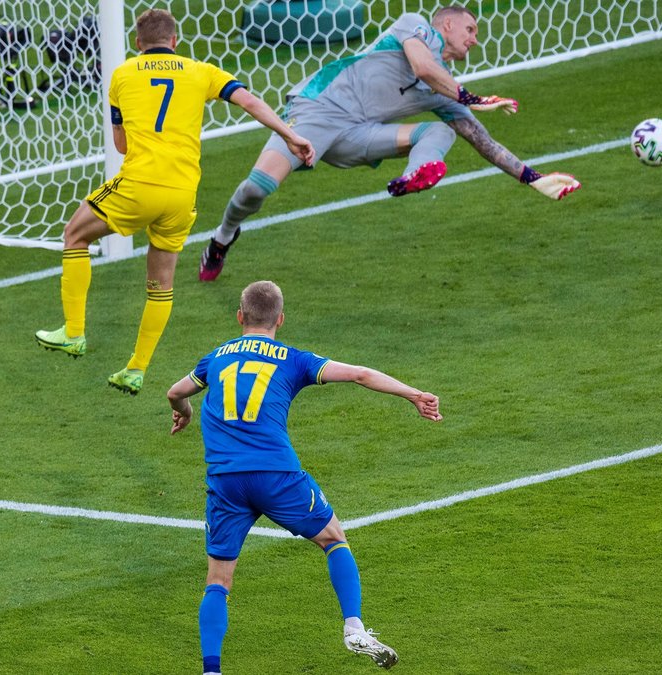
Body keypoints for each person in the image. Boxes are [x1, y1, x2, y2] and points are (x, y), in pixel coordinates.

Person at [166, 280, 443, 672]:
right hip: (276, 474)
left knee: (218, 581)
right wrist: (414, 394)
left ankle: (212, 670)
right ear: (280, 319)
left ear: (240, 316)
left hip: (226, 482)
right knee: (333, 538)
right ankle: (354, 627)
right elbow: (360, 374)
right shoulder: (292, 359)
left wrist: (186, 412)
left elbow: (175, 392)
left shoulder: (214, 359)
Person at [35, 9, 315, 395]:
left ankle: (73, 332)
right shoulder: (201, 71)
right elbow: (250, 102)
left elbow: (121, 144)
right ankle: (136, 369)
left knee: (74, 235)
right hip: (182, 195)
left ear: (138, 43)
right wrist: (290, 136)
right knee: (160, 283)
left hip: (138, 185)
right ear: (175, 41)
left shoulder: (122, 74)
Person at [197, 4, 582, 282]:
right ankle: (223, 237)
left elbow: (484, 142)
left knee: (442, 132)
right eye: (470, 29)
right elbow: (422, 67)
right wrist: (473, 97)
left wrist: (533, 177)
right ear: (447, 24)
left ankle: (415, 174)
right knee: (257, 189)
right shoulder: (415, 26)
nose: (475, 40)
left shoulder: (445, 92)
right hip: (318, 111)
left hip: (358, 135)